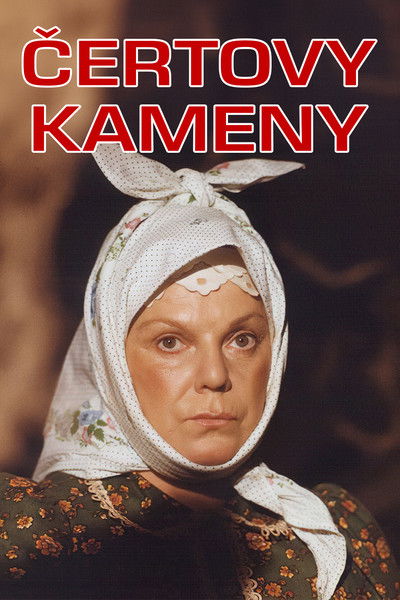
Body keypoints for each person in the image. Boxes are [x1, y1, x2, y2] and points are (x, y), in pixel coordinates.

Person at [0, 146, 398, 600]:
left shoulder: (333, 536)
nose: (215, 375)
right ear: (111, 360)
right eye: (170, 342)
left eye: (242, 339)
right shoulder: (30, 532)